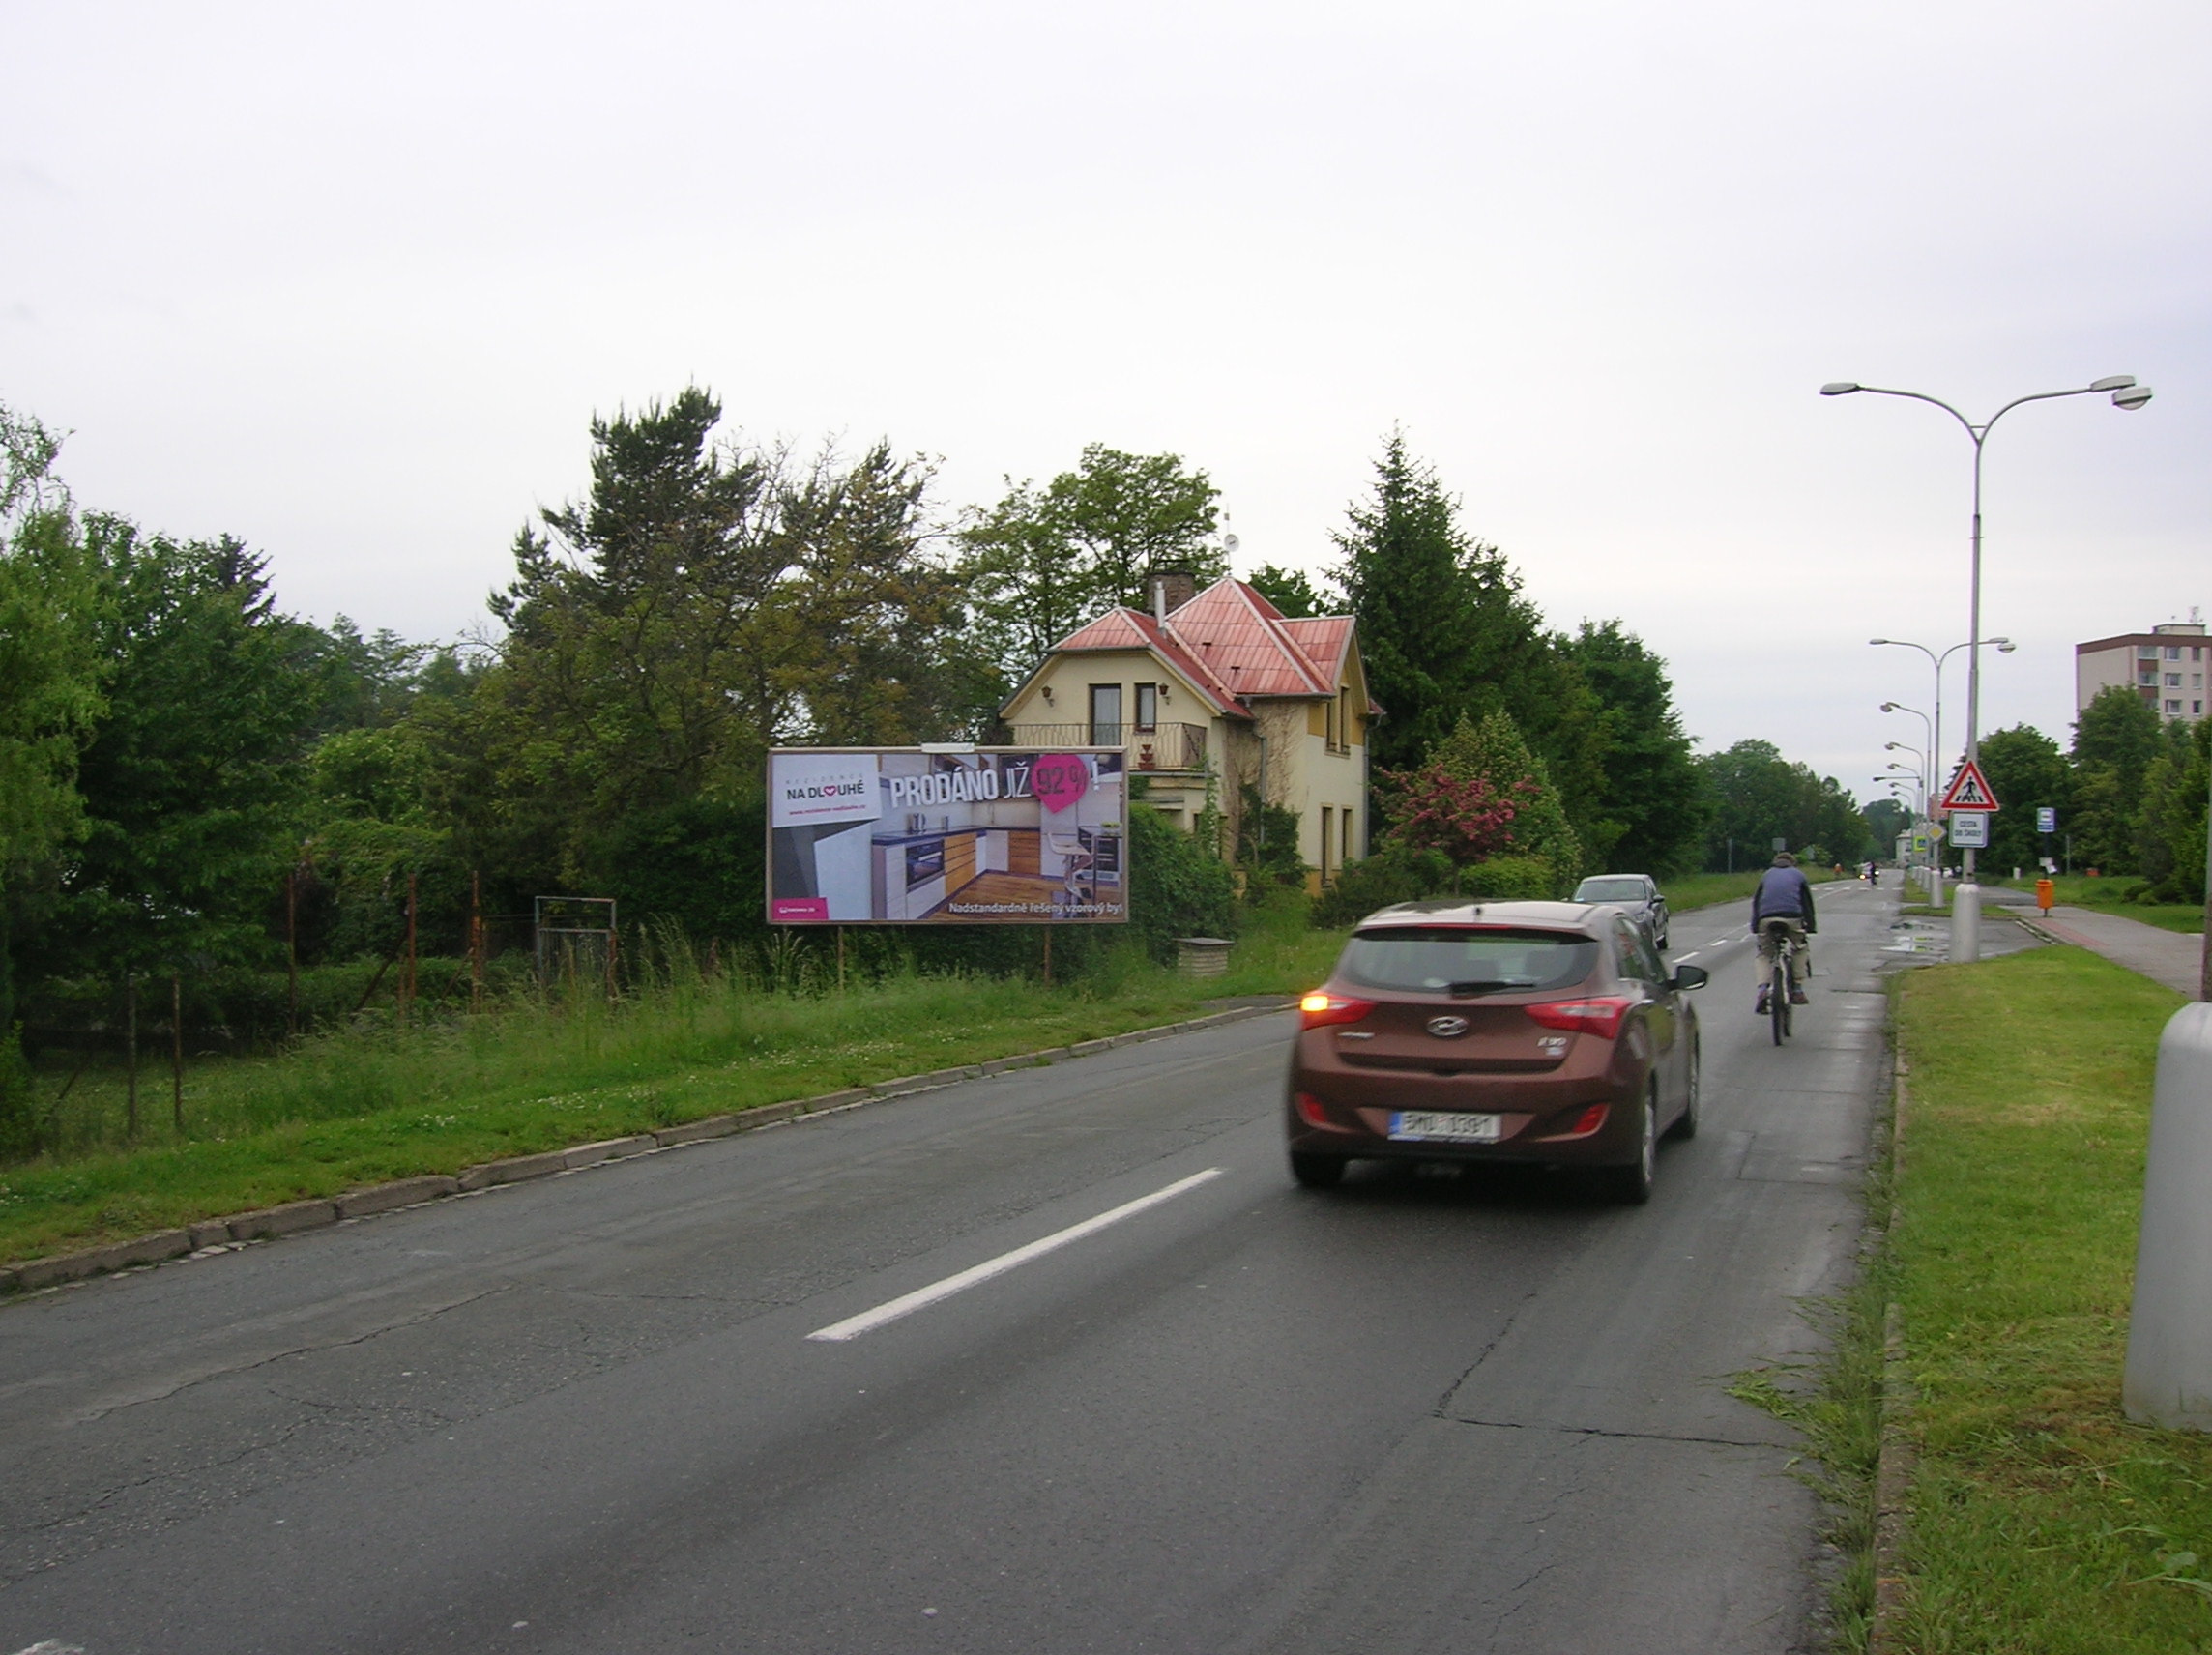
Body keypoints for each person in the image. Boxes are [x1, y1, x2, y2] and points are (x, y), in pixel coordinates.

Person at [1751, 851, 1818, 1013]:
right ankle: (1798, 989)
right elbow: (1806, 903)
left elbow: (1757, 902)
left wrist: (1755, 925)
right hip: (1792, 918)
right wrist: (1811, 926)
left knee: (1765, 955)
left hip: (1767, 918)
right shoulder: (1799, 875)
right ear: (1792, 863)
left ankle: (1762, 990)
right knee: (1800, 948)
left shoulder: (1766, 875)